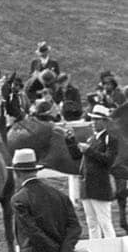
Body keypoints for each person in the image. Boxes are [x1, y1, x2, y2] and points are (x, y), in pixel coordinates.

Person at [9, 146, 82, 251]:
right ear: (35, 170)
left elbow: (33, 232)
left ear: (17, 173)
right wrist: (65, 249)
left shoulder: (19, 200)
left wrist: (54, 249)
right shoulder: (60, 195)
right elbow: (75, 227)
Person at [82, 104, 120, 239]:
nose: (93, 122)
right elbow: (78, 157)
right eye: (93, 119)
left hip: (100, 185)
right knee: (91, 223)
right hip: (87, 185)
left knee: (105, 222)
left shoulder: (110, 138)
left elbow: (108, 160)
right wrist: (70, 142)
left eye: (97, 120)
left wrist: (89, 151)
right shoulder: (91, 139)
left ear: (104, 121)